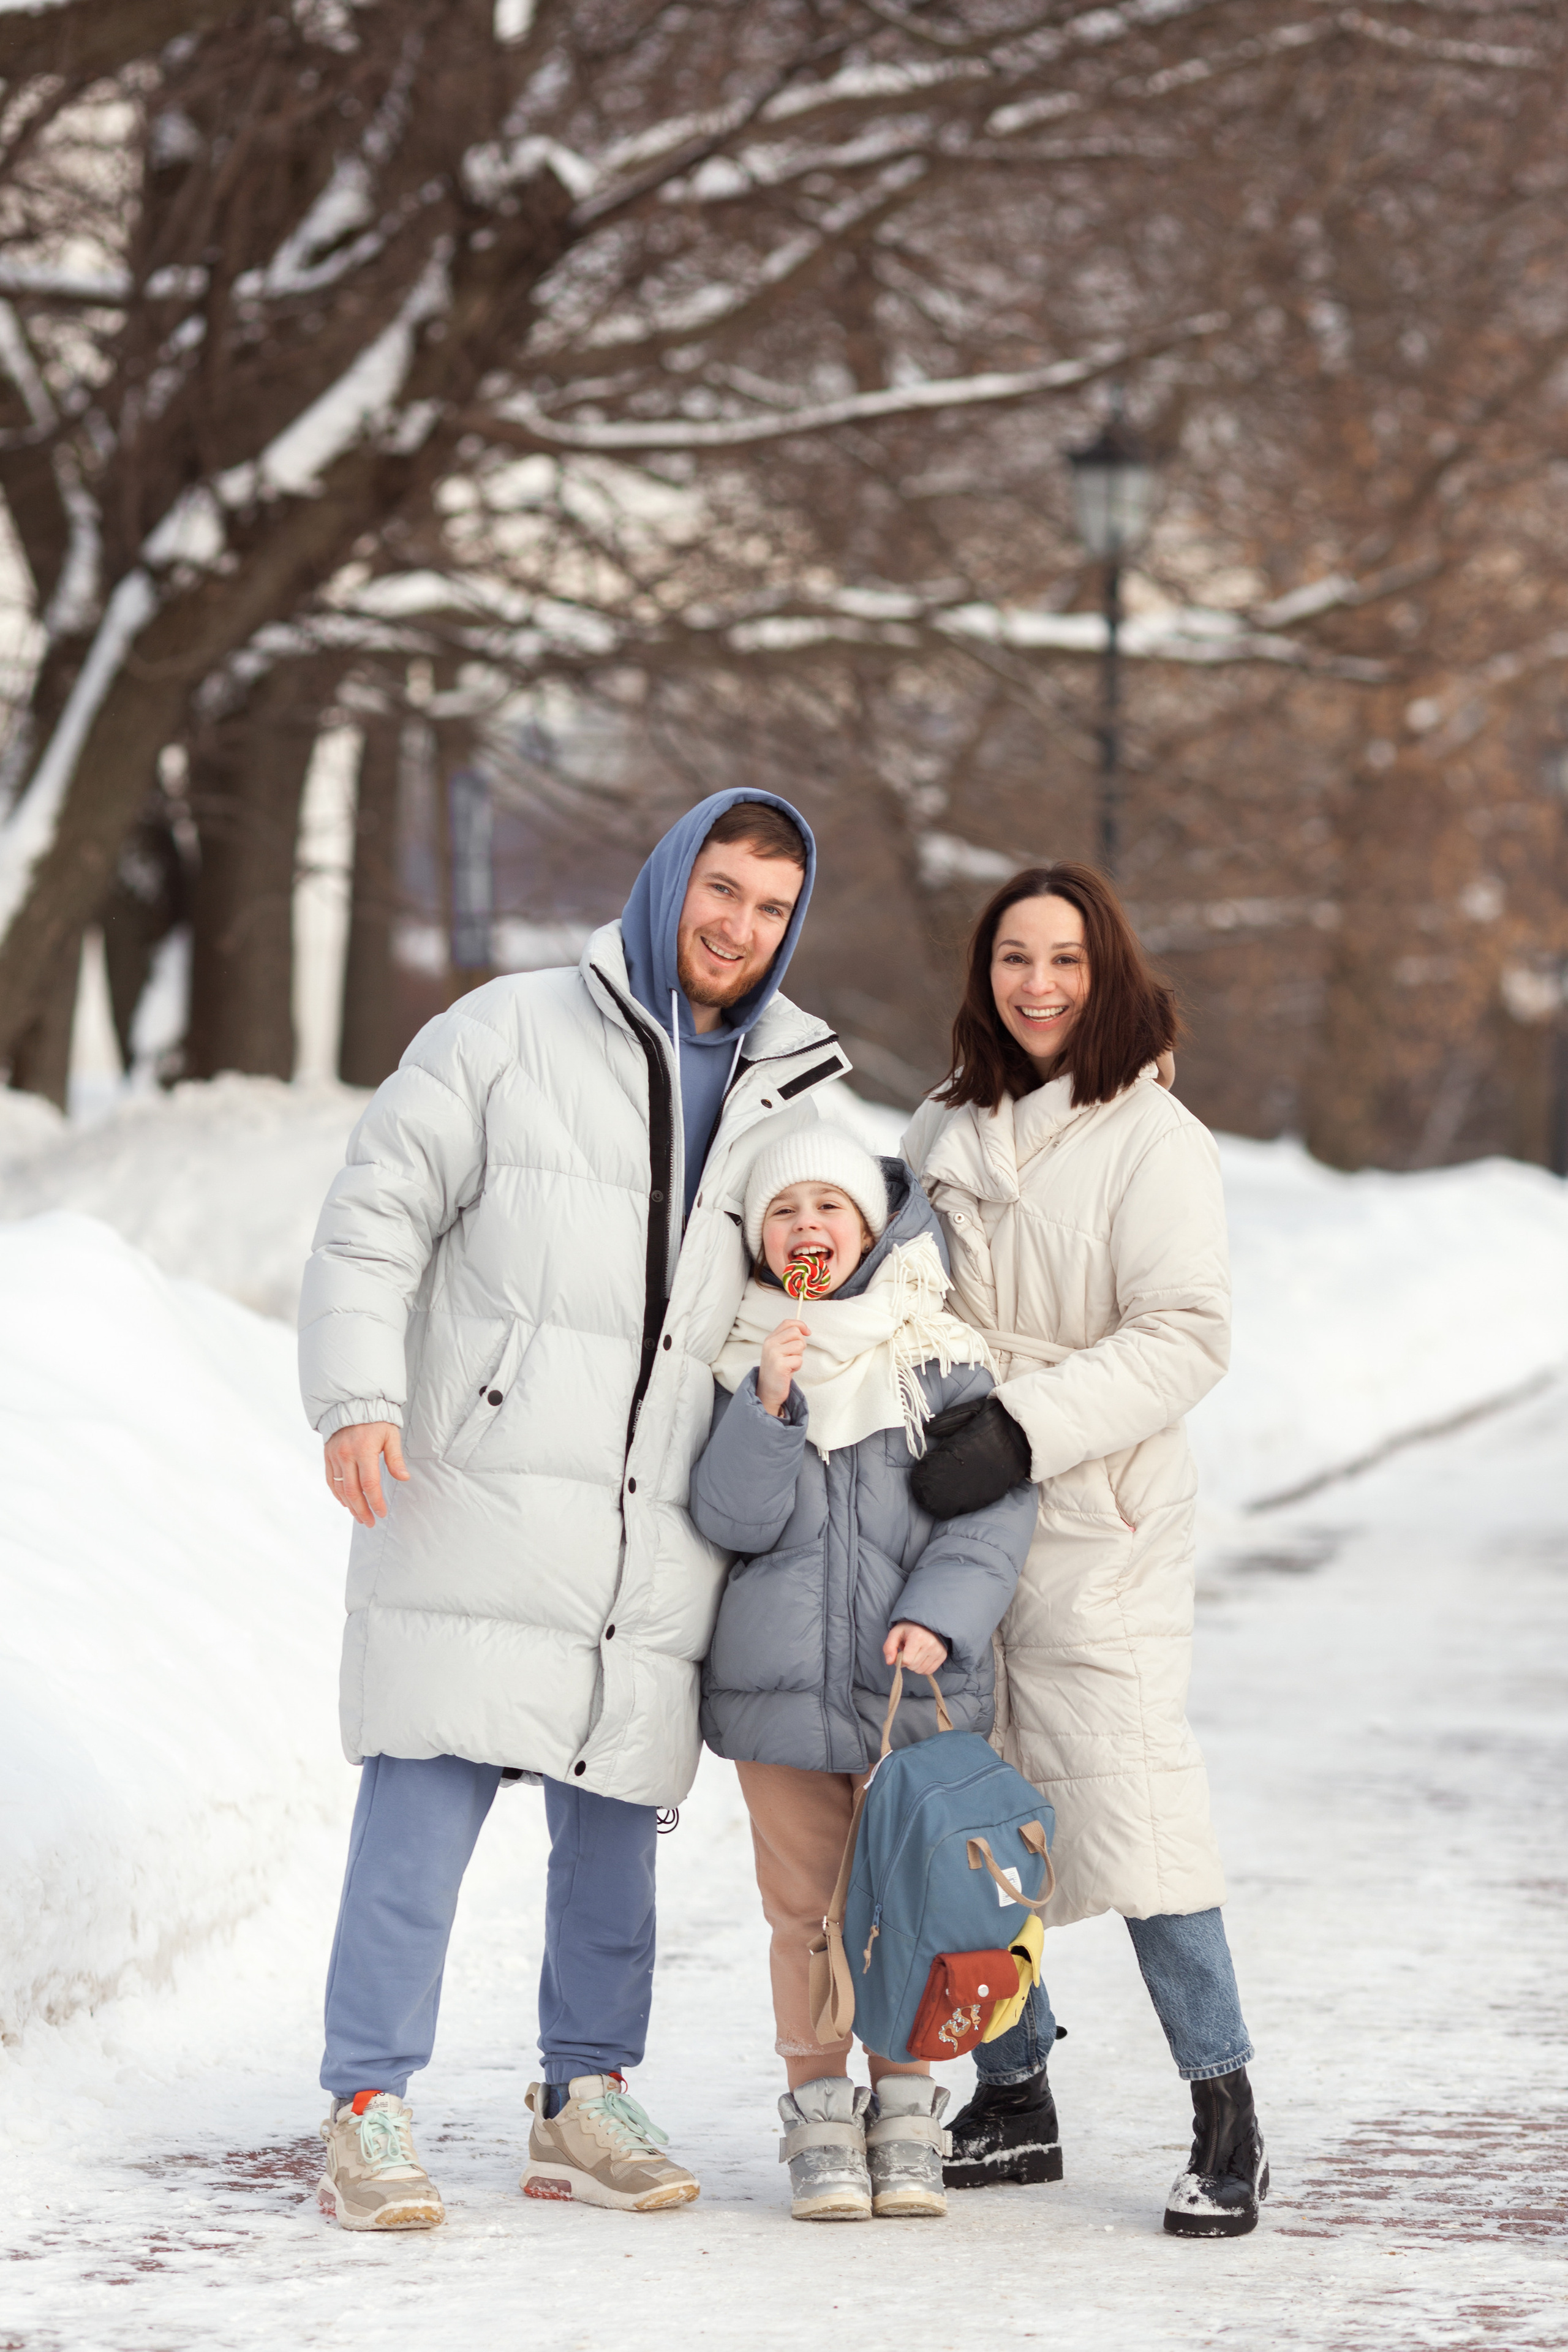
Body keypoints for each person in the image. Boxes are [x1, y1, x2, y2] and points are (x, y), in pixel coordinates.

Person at [298, 789, 856, 2230]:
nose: (737, 926)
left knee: (614, 1824)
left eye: (770, 907)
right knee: (423, 1796)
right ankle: (366, 2106)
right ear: (669, 880)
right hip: (480, 1487)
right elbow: (375, 1213)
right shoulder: (503, 1033)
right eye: (720, 889)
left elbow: (830, 1270)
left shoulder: (792, 1093)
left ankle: (582, 2096)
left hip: (653, 1519)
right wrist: (355, 1396)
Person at [901, 861, 1268, 2241]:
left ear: (1105, 971)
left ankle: (1225, 2111)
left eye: (1065, 959)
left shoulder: (1151, 1136)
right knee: (970, 1808)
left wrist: (1021, 1427)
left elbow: (1186, 1335)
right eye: (1015, 958)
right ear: (984, 973)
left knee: (1131, 1799)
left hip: (1092, 1501)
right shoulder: (942, 1121)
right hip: (955, 1506)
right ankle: (1013, 2096)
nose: (1039, 984)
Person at [690, 1127, 1038, 2223]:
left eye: (829, 1208)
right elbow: (731, 1520)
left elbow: (991, 1514)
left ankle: (906, 2113)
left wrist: (941, 1618)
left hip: (908, 1693)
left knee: (904, 1905)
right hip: (779, 1697)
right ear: (759, 1241)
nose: (808, 1227)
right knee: (805, 1914)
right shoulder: (734, 1356)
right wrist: (769, 1403)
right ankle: (819, 2118)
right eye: (783, 1212)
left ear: (874, 1228)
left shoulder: (936, 1353)